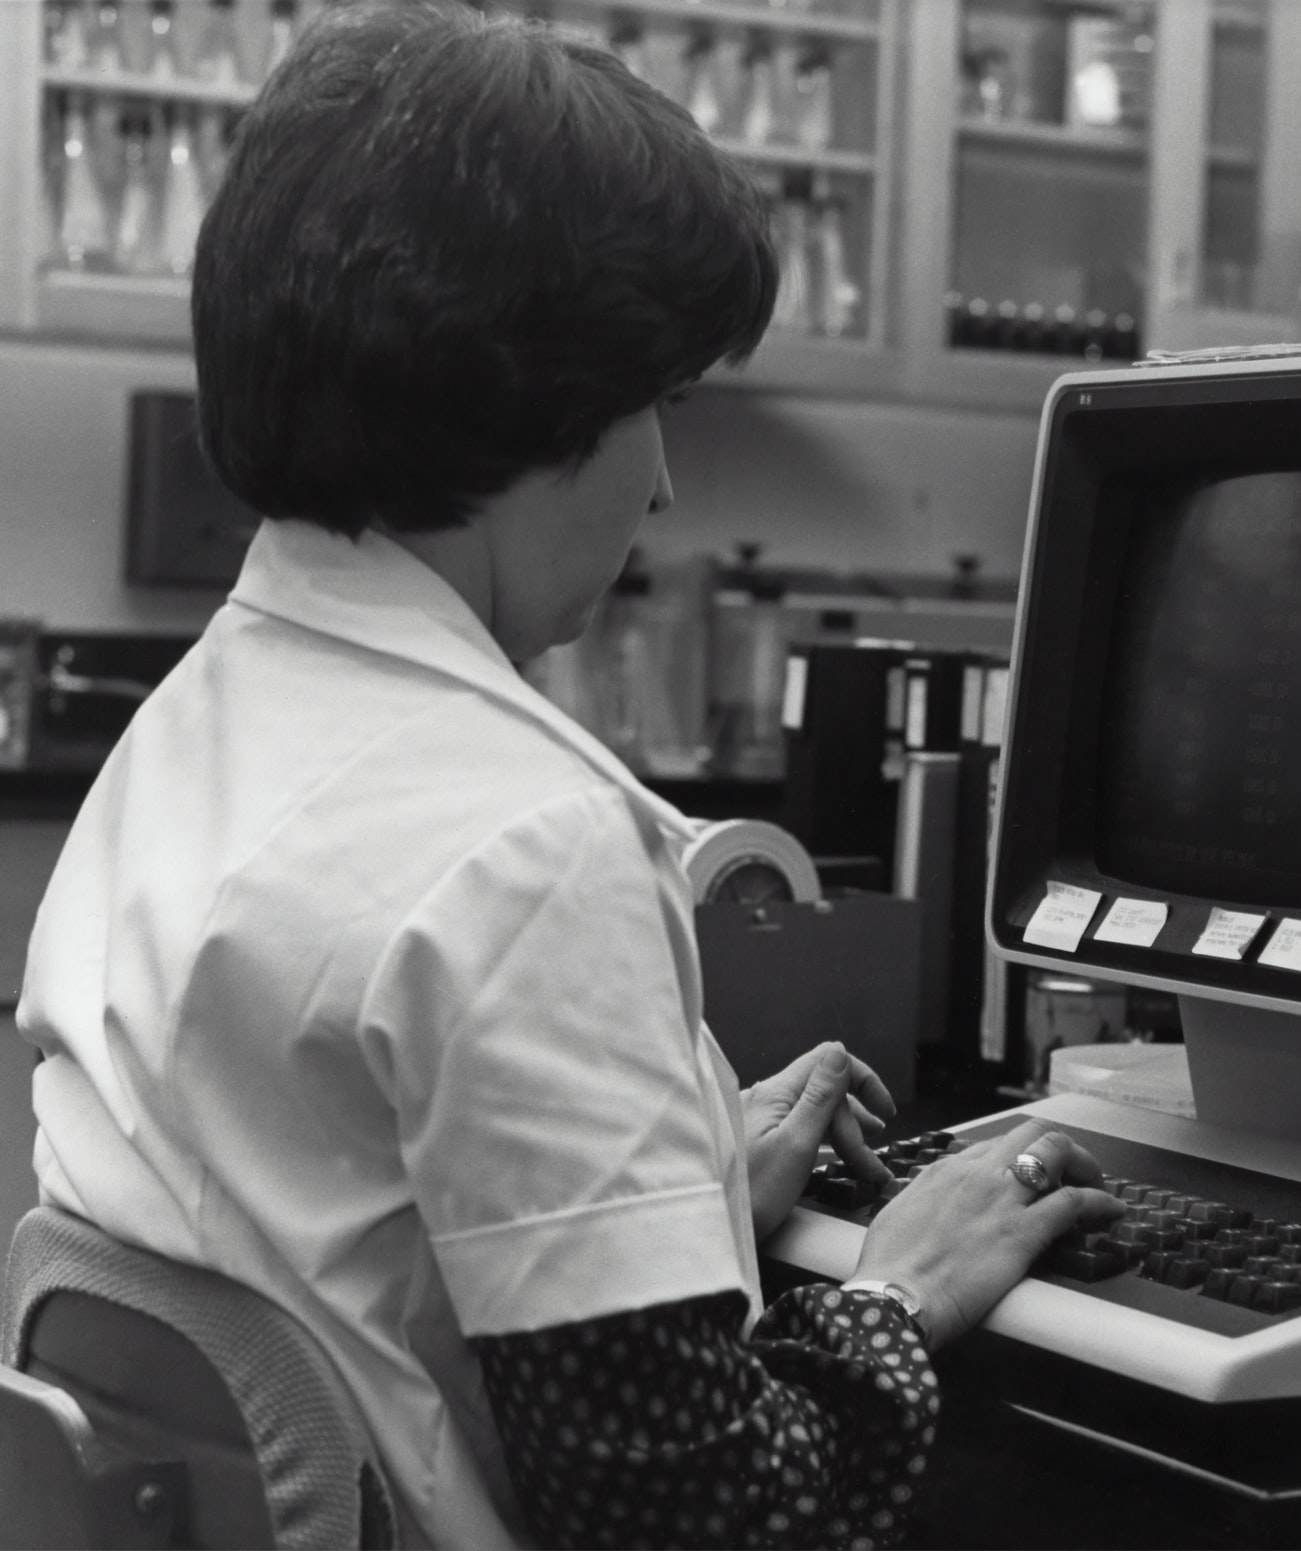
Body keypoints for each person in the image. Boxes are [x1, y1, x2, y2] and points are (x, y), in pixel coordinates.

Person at [13, 4, 1124, 1547]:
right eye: (656, 405)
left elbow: (335, 1246)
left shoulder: (193, 726)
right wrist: (899, 1292)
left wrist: (671, 1198)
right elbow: (698, 1518)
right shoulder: (528, 845)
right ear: (533, 402)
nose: (662, 483)